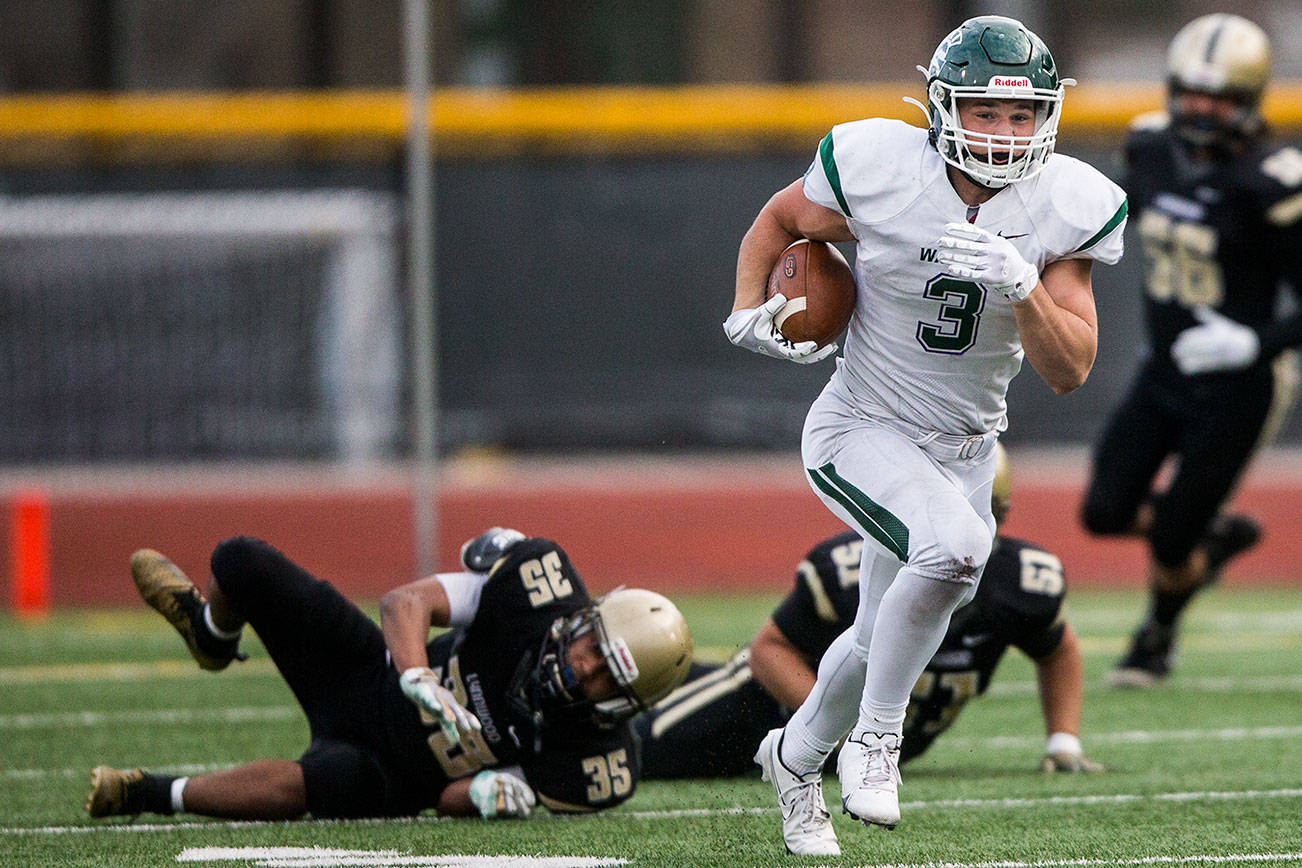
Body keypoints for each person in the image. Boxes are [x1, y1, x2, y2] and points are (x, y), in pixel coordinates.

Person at [723, 15, 1126, 856]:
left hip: (966, 450)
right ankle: (877, 739)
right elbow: (779, 219)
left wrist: (1024, 287)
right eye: (986, 111)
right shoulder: (879, 167)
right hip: (861, 425)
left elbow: (1070, 368)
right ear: (943, 108)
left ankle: (794, 762)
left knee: (876, 641)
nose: (1006, 132)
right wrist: (745, 307)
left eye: (1023, 116)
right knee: (957, 553)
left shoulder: (1066, 202)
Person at [84, 528, 692, 821]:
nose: (583, 667)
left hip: (394, 776)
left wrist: (489, 795)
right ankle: (212, 637)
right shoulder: (537, 585)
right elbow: (406, 603)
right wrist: (416, 674)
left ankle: (144, 792)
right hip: (369, 675)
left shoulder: (600, 766)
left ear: (626, 704)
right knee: (239, 560)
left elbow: (445, 799)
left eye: (607, 679)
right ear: (588, 617)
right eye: (593, 646)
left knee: (308, 787)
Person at [635, 444, 1102, 780]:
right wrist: (833, 730)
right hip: (759, 707)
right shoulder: (850, 570)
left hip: (852, 757)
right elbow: (768, 652)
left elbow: (1056, 649)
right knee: (636, 753)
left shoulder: (1021, 583)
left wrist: (1063, 740)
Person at [1080, 13, 1300, 688]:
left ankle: (1156, 637)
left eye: (1220, 95)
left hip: (1238, 384)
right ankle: (1214, 534)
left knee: (1173, 536)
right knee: (1104, 512)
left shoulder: (1273, 178)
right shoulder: (1147, 145)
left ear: (1250, 99)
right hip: (1165, 368)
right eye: (1192, 91)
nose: (1201, 107)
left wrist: (1253, 343)